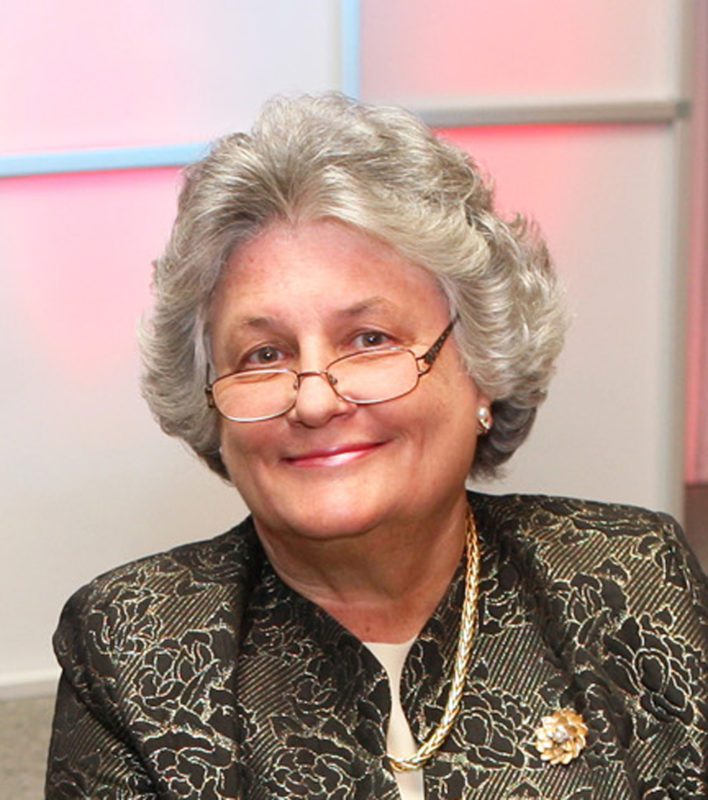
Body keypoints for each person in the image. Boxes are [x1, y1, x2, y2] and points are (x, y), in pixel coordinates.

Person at [46, 94, 706, 800]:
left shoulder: (630, 573)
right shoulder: (131, 644)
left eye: (369, 340)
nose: (315, 401)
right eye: (264, 354)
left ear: (482, 366)